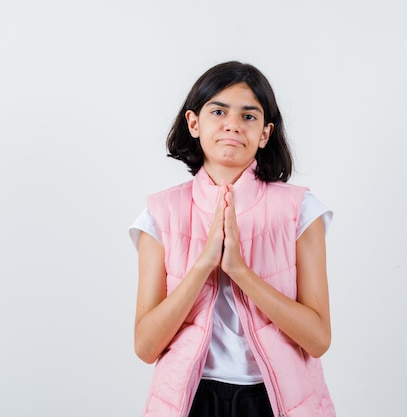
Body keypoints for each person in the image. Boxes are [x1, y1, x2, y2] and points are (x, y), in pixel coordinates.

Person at [129, 61, 336, 417]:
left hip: (275, 400)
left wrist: (240, 271)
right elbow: (146, 347)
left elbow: (317, 340)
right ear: (194, 123)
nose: (233, 125)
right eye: (219, 111)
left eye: (249, 116)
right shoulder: (159, 213)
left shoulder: (300, 209)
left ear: (266, 133)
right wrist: (204, 265)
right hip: (190, 399)